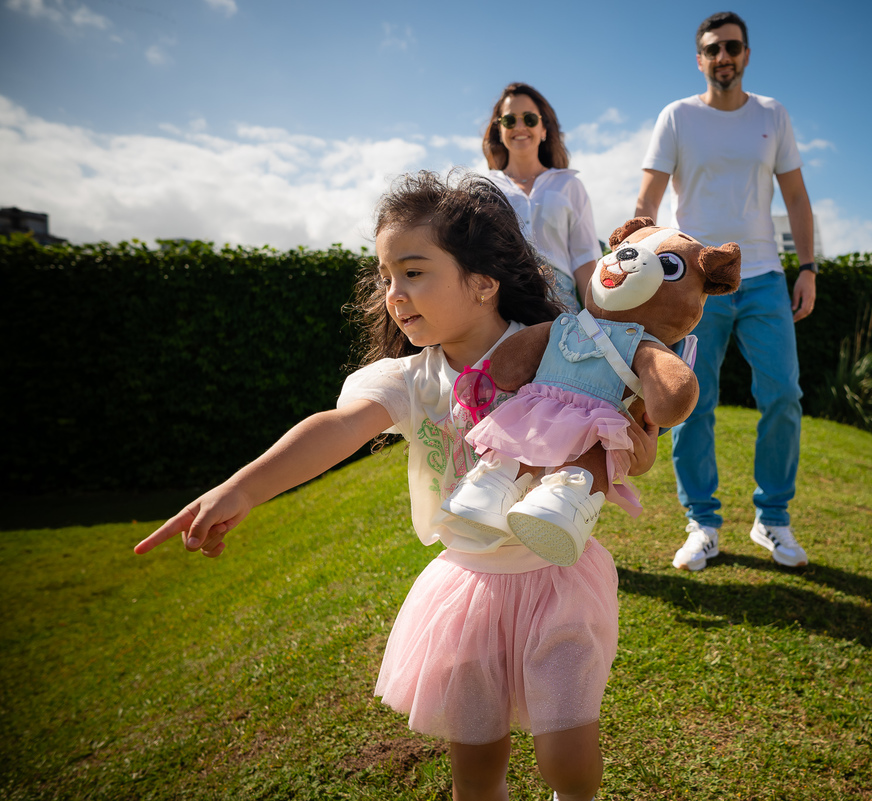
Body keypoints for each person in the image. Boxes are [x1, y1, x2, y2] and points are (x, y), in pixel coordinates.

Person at [134, 171, 658, 801]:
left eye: (413, 271)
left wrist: (637, 429)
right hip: (466, 588)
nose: (394, 293)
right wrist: (243, 488)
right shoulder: (411, 380)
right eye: (386, 277)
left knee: (566, 756)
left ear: (485, 282)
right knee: (476, 762)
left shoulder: (556, 355)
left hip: (559, 581)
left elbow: (625, 430)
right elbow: (337, 427)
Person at [634, 11, 817, 572]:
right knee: (692, 402)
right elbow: (647, 204)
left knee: (783, 394)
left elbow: (797, 199)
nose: (723, 56)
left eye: (732, 47)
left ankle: (773, 519)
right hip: (695, 286)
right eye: (712, 49)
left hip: (763, 276)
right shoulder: (677, 117)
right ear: (700, 59)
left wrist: (807, 267)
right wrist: (640, 267)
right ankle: (703, 524)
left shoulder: (772, 116)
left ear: (746, 53)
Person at [483, 82, 602, 313]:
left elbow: (585, 261)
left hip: (562, 311)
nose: (519, 126)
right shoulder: (485, 189)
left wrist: (599, 322)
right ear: (499, 129)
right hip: (501, 313)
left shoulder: (569, 185)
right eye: (509, 120)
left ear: (543, 129)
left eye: (529, 119)